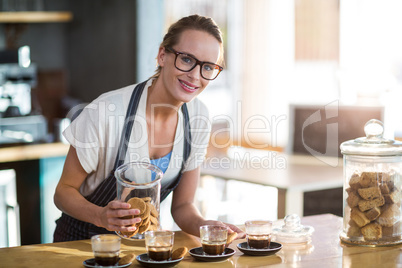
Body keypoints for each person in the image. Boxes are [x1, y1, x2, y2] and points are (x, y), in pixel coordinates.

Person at [53, 14, 245, 242]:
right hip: (80, 244)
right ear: (162, 55)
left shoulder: (198, 117)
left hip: (143, 247)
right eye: (186, 59)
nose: (195, 75)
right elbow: (63, 192)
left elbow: (183, 206)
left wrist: (206, 226)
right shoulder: (106, 111)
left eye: (207, 67)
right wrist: (100, 216)